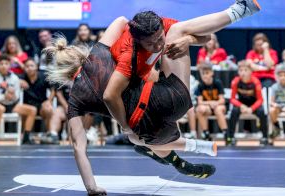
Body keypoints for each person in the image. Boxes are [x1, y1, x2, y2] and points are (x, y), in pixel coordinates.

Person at [44, 0, 261, 194]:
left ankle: (190, 148)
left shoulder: (76, 98)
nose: (159, 44)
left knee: (136, 136)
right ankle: (238, 11)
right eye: (152, 42)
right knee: (138, 128)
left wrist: (92, 187)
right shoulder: (108, 51)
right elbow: (120, 25)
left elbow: (78, 147)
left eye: (159, 39)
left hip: (148, 118)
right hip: (166, 100)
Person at [0, 55, 37, 144]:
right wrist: (3, 96)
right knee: (0, 108)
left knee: (32, 110)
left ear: (9, 65)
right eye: (1, 64)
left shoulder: (14, 78)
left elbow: (17, 96)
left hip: (11, 104)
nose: (4, 66)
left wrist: (13, 96)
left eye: (6, 63)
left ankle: (26, 138)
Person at [228, 60, 268, 145]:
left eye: (245, 70)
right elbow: (232, 99)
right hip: (242, 104)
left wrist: (251, 108)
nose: (243, 73)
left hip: (253, 104)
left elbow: (260, 100)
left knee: (262, 112)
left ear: (250, 71)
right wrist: (241, 106)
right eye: (241, 70)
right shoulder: (235, 81)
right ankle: (230, 137)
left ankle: (264, 137)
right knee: (234, 111)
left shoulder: (256, 82)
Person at [20, 58, 55, 133]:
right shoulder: (22, 77)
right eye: (27, 66)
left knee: (48, 109)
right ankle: (25, 136)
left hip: (41, 104)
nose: (29, 68)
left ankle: (49, 134)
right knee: (22, 110)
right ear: (24, 68)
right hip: (28, 105)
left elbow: (53, 89)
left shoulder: (43, 76)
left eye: (32, 66)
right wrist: (19, 81)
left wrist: (49, 101)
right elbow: (12, 78)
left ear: (36, 67)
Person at [195, 64, 227, 140]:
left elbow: (222, 100)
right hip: (208, 108)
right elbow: (200, 102)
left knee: (218, 110)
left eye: (207, 73)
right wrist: (211, 103)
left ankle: (226, 133)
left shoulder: (217, 83)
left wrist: (215, 103)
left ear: (212, 73)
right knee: (199, 109)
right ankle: (206, 133)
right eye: (203, 74)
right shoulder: (200, 85)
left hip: (218, 106)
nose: (205, 76)